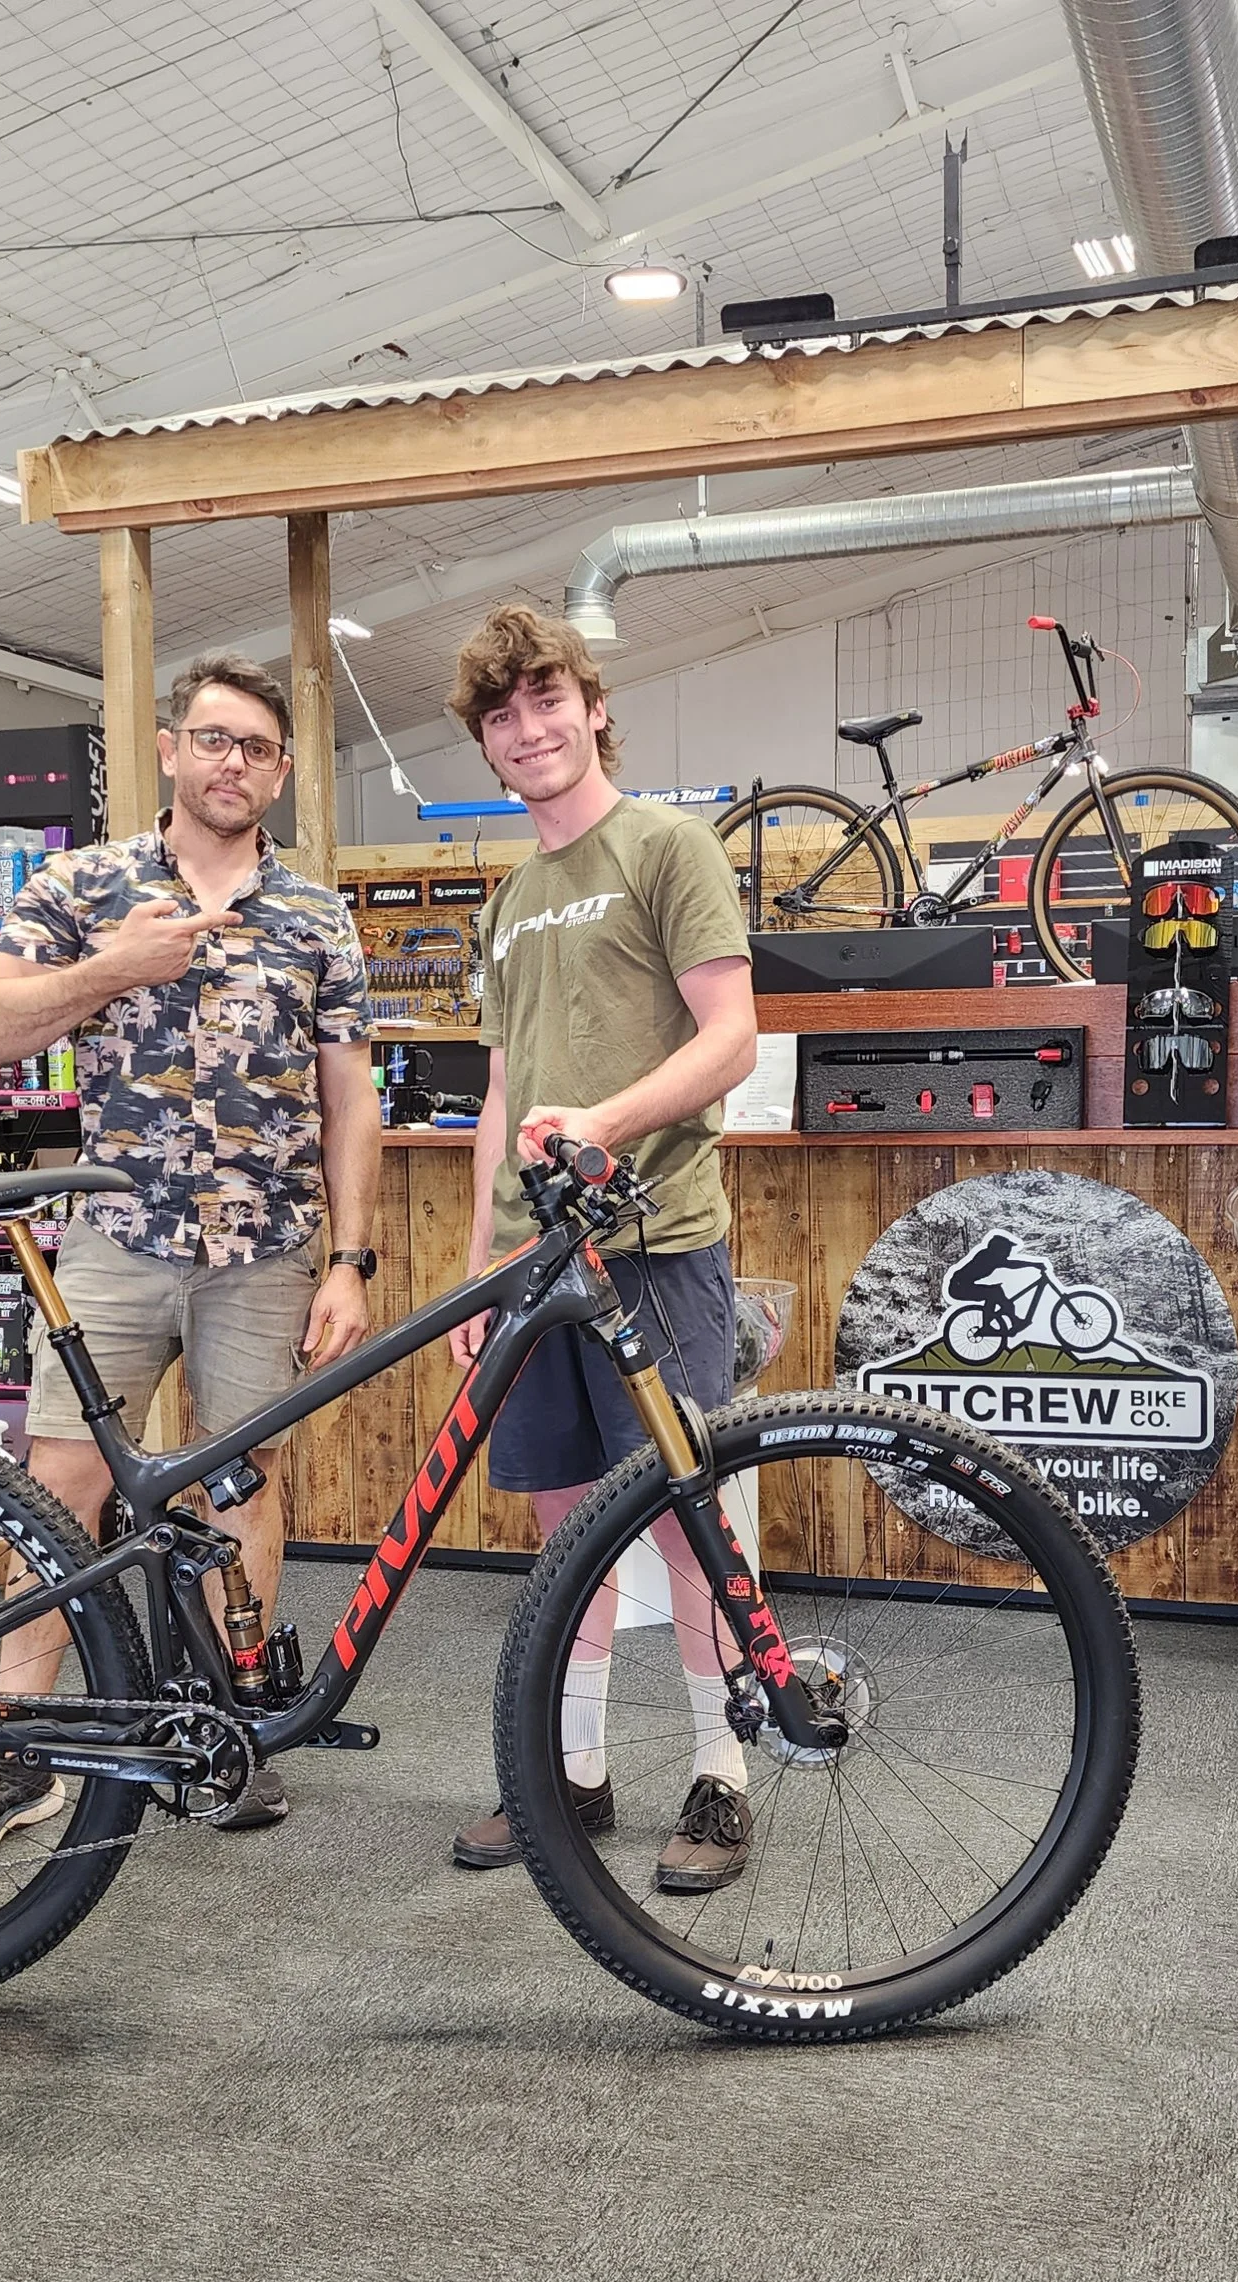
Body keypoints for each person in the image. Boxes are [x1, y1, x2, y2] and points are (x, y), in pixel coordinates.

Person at [0, 654, 379, 1858]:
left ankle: (227, 1728)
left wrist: (352, 1260)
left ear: (279, 770)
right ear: (171, 749)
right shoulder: (84, 883)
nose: (235, 762)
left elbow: (349, 1103)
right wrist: (114, 967)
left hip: (266, 1248)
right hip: (112, 1237)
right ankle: (15, 1744)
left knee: (243, 1487)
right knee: (58, 1486)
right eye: (215, 739)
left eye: (258, 748)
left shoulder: (317, 915)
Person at [440, 605, 761, 1892]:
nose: (529, 730)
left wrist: (608, 1125)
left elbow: (730, 1037)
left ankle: (724, 1776)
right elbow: (502, 1089)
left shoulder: (668, 845)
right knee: (566, 1532)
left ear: (591, 703)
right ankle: (567, 1778)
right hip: (533, 1270)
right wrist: (479, 1260)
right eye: (501, 717)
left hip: (654, 1243)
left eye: (545, 700)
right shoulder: (509, 898)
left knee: (686, 1524)